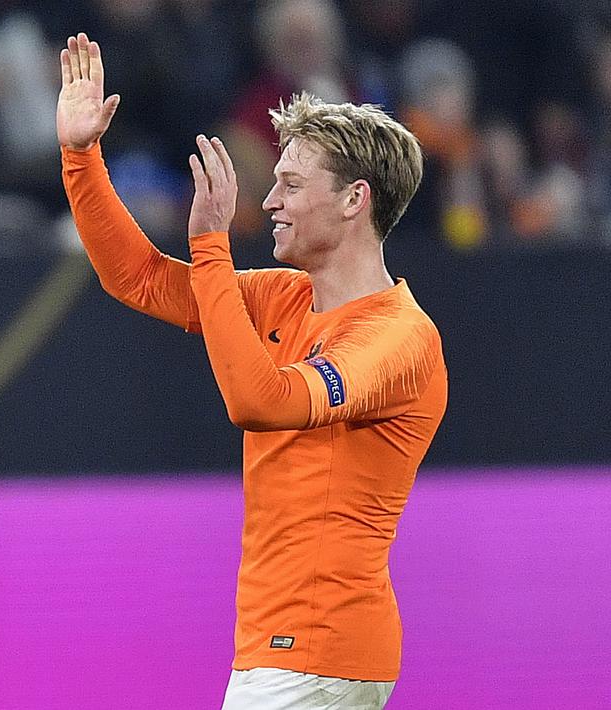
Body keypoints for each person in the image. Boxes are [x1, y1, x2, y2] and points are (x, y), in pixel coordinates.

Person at [56, 33, 447, 709]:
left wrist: (209, 243)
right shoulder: (282, 295)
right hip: (285, 648)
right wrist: (80, 156)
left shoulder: (396, 338)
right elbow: (140, 280)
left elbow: (258, 400)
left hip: (320, 650)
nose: (269, 202)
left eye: (290, 184)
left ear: (354, 200)